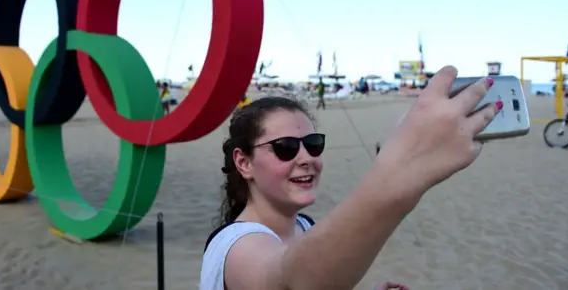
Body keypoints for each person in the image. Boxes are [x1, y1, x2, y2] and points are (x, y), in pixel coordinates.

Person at [199, 66, 502, 290]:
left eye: (313, 144)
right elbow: (289, 279)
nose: (306, 158)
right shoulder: (235, 248)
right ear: (244, 163)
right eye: (286, 148)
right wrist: (404, 173)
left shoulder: (306, 228)